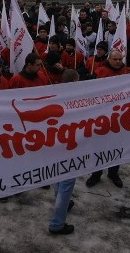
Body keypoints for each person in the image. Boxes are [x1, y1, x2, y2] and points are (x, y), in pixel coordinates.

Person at [86, 50, 130, 189]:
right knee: (99, 147)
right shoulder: (100, 72)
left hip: (120, 116)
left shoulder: (128, 72)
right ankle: (96, 173)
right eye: (115, 59)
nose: (118, 62)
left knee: (116, 146)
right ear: (109, 59)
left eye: (120, 59)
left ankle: (113, 172)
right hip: (102, 116)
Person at [48, 68, 80, 235]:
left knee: (59, 177)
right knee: (67, 182)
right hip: (68, 145)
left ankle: (63, 203)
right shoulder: (74, 100)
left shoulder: (56, 95)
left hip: (56, 145)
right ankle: (57, 223)